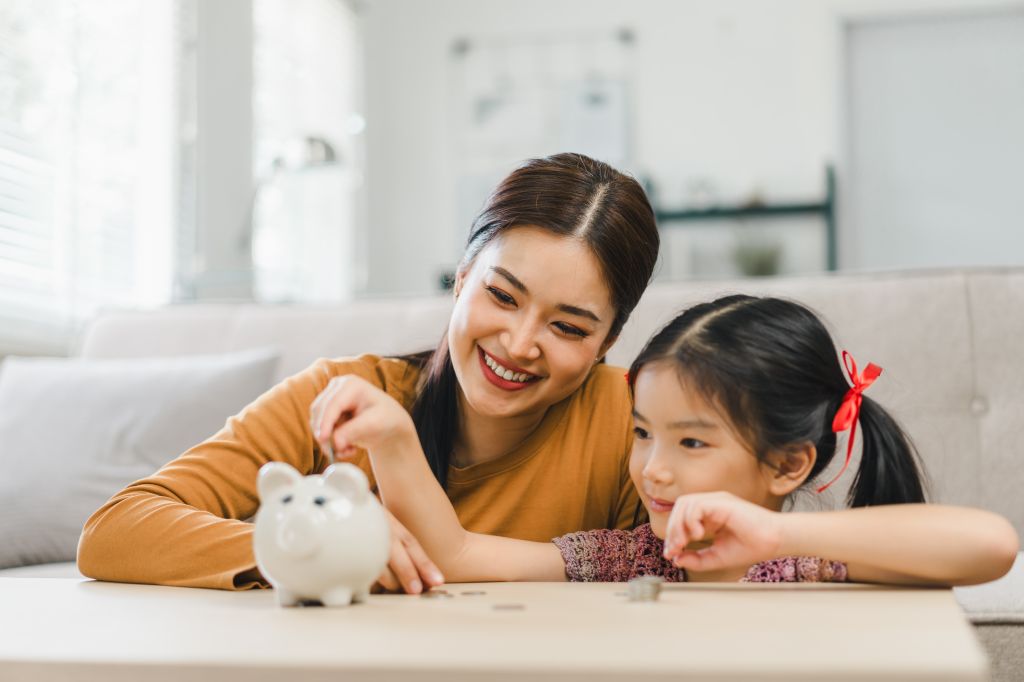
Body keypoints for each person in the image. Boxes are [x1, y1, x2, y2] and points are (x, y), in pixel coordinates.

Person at [77, 152, 661, 592]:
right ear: (461, 280)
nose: (520, 343)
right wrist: (314, 547)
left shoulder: (635, 420)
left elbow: (692, 574)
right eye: (503, 297)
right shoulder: (346, 398)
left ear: (607, 340)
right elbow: (114, 531)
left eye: (568, 328)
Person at [326, 295, 1019, 585]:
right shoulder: (632, 560)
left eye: (691, 445)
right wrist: (393, 439)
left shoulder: (810, 566)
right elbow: (457, 553)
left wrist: (778, 538)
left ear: (788, 464)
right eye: (641, 434)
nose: (651, 470)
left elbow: (992, 545)